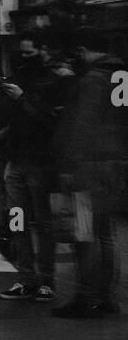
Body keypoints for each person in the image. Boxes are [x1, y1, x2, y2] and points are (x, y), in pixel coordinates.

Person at [0, 38, 64, 303]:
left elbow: (50, 119)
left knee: (43, 223)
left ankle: (46, 280)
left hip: (40, 162)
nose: (25, 57)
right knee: (17, 220)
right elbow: (17, 122)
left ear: (41, 52)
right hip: (16, 162)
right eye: (22, 52)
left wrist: (22, 98)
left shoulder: (51, 82)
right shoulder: (21, 80)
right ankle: (27, 277)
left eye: (30, 51)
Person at [51, 41, 126, 318]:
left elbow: (81, 125)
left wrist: (68, 165)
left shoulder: (92, 81)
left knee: (84, 233)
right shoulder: (121, 77)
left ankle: (87, 296)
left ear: (83, 50)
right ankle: (105, 295)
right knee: (105, 233)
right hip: (114, 164)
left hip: (88, 166)